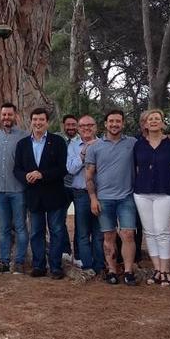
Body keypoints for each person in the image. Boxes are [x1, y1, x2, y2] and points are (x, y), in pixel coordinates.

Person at [85, 110, 139, 286]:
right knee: (108, 236)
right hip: (104, 199)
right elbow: (89, 176)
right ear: (105, 124)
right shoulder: (95, 147)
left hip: (126, 197)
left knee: (128, 234)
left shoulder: (132, 143)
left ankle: (129, 271)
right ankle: (112, 270)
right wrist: (93, 198)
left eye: (118, 121)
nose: (114, 124)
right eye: (111, 121)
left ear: (123, 123)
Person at [14, 108, 68, 279]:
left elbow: (62, 169)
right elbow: (17, 169)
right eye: (35, 119)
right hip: (33, 196)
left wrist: (42, 174)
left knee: (57, 231)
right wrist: (25, 176)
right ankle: (39, 266)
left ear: (47, 122)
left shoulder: (58, 142)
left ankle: (56, 267)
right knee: (36, 232)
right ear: (30, 121)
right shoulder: (22, 144)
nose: (38, 123)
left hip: (55, 195)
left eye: (41, 120)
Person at [133, 109, 170, 287]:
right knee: (149, 232)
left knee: (162, 231)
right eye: (149, 119)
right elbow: (133, 167)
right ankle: (157, 269)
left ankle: (166, 270)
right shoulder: (138, 145)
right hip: (142, 192)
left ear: (162, 122)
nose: (153, 121)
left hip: (165, 192)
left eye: (157, 118)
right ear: (144, 124)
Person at [0, 103, 30, 275]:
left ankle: (19, 262)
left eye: (9, 115)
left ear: (15, 116)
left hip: (18, 190)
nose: (6, 118)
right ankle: (4, 262)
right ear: (1, 116)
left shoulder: (24, 136)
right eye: (4, 115)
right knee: (4, 228)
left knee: (21, 227)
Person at [66, 114, 104, 277]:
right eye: (82, 126)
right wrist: (84, 152)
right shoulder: (73, 146)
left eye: (90, 125)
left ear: (96, 127)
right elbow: (71, 169)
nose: (86, 128)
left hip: (102, 193)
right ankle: (87, 266)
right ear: (78, 129)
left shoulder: (104, 144)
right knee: (82, 232)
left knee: (99, 232)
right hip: (81, 193)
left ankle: (99, 265)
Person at [59, 113, 80, 265]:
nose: (71, 127)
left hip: (79, 186)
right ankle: (65, 250)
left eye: (74, 125)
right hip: (61, 186)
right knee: (59, 219)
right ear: (64, 125)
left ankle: (79, 254)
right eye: (68, 125)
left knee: (81, 221)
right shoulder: (57, 140)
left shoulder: (84, 141)